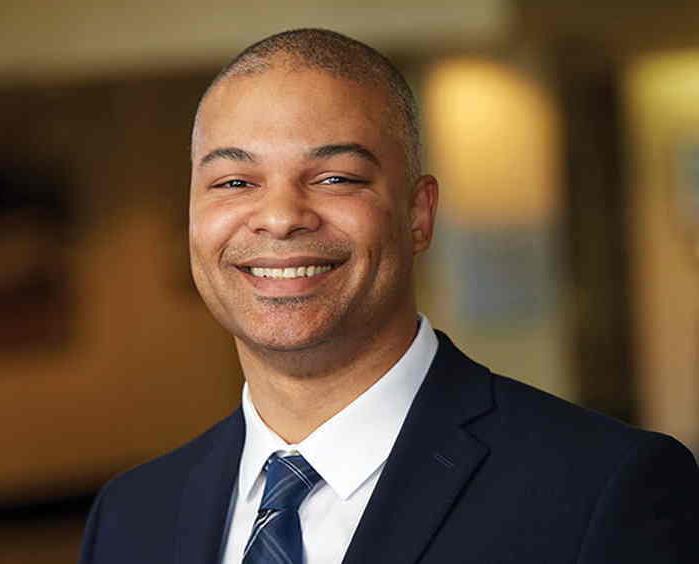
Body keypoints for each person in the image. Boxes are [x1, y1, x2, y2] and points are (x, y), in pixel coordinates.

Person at [79, 29, 698, 564]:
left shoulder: (602, 488)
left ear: (418, 214)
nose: (280, 217)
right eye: (235, 181)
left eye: (335, 178)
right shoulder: (131, 517)